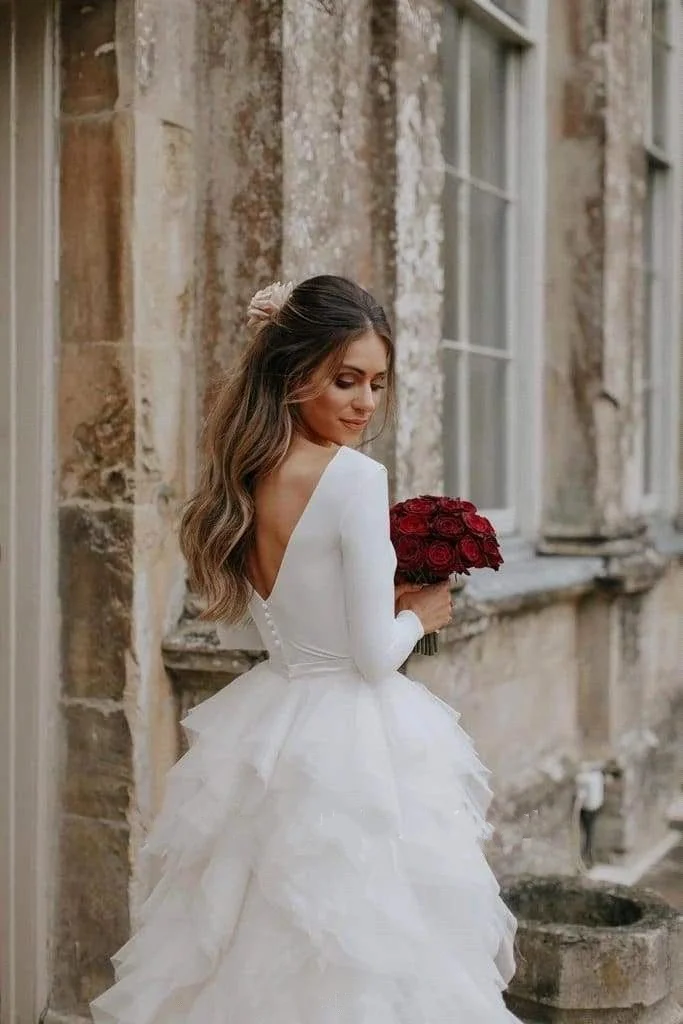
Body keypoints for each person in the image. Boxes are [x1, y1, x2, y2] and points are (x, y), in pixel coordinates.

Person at [91, 275, 520, 1023]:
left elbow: (258, 628)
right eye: (344, 380)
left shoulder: (248, 476)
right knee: (366, 945)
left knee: (257, 939)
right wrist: (421, 612)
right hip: (355, 736)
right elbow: (372, 658)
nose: (364, 402)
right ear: (295, 378)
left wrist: (371, 609)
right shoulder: (354, 478)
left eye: (377, 383)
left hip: (276, 721)